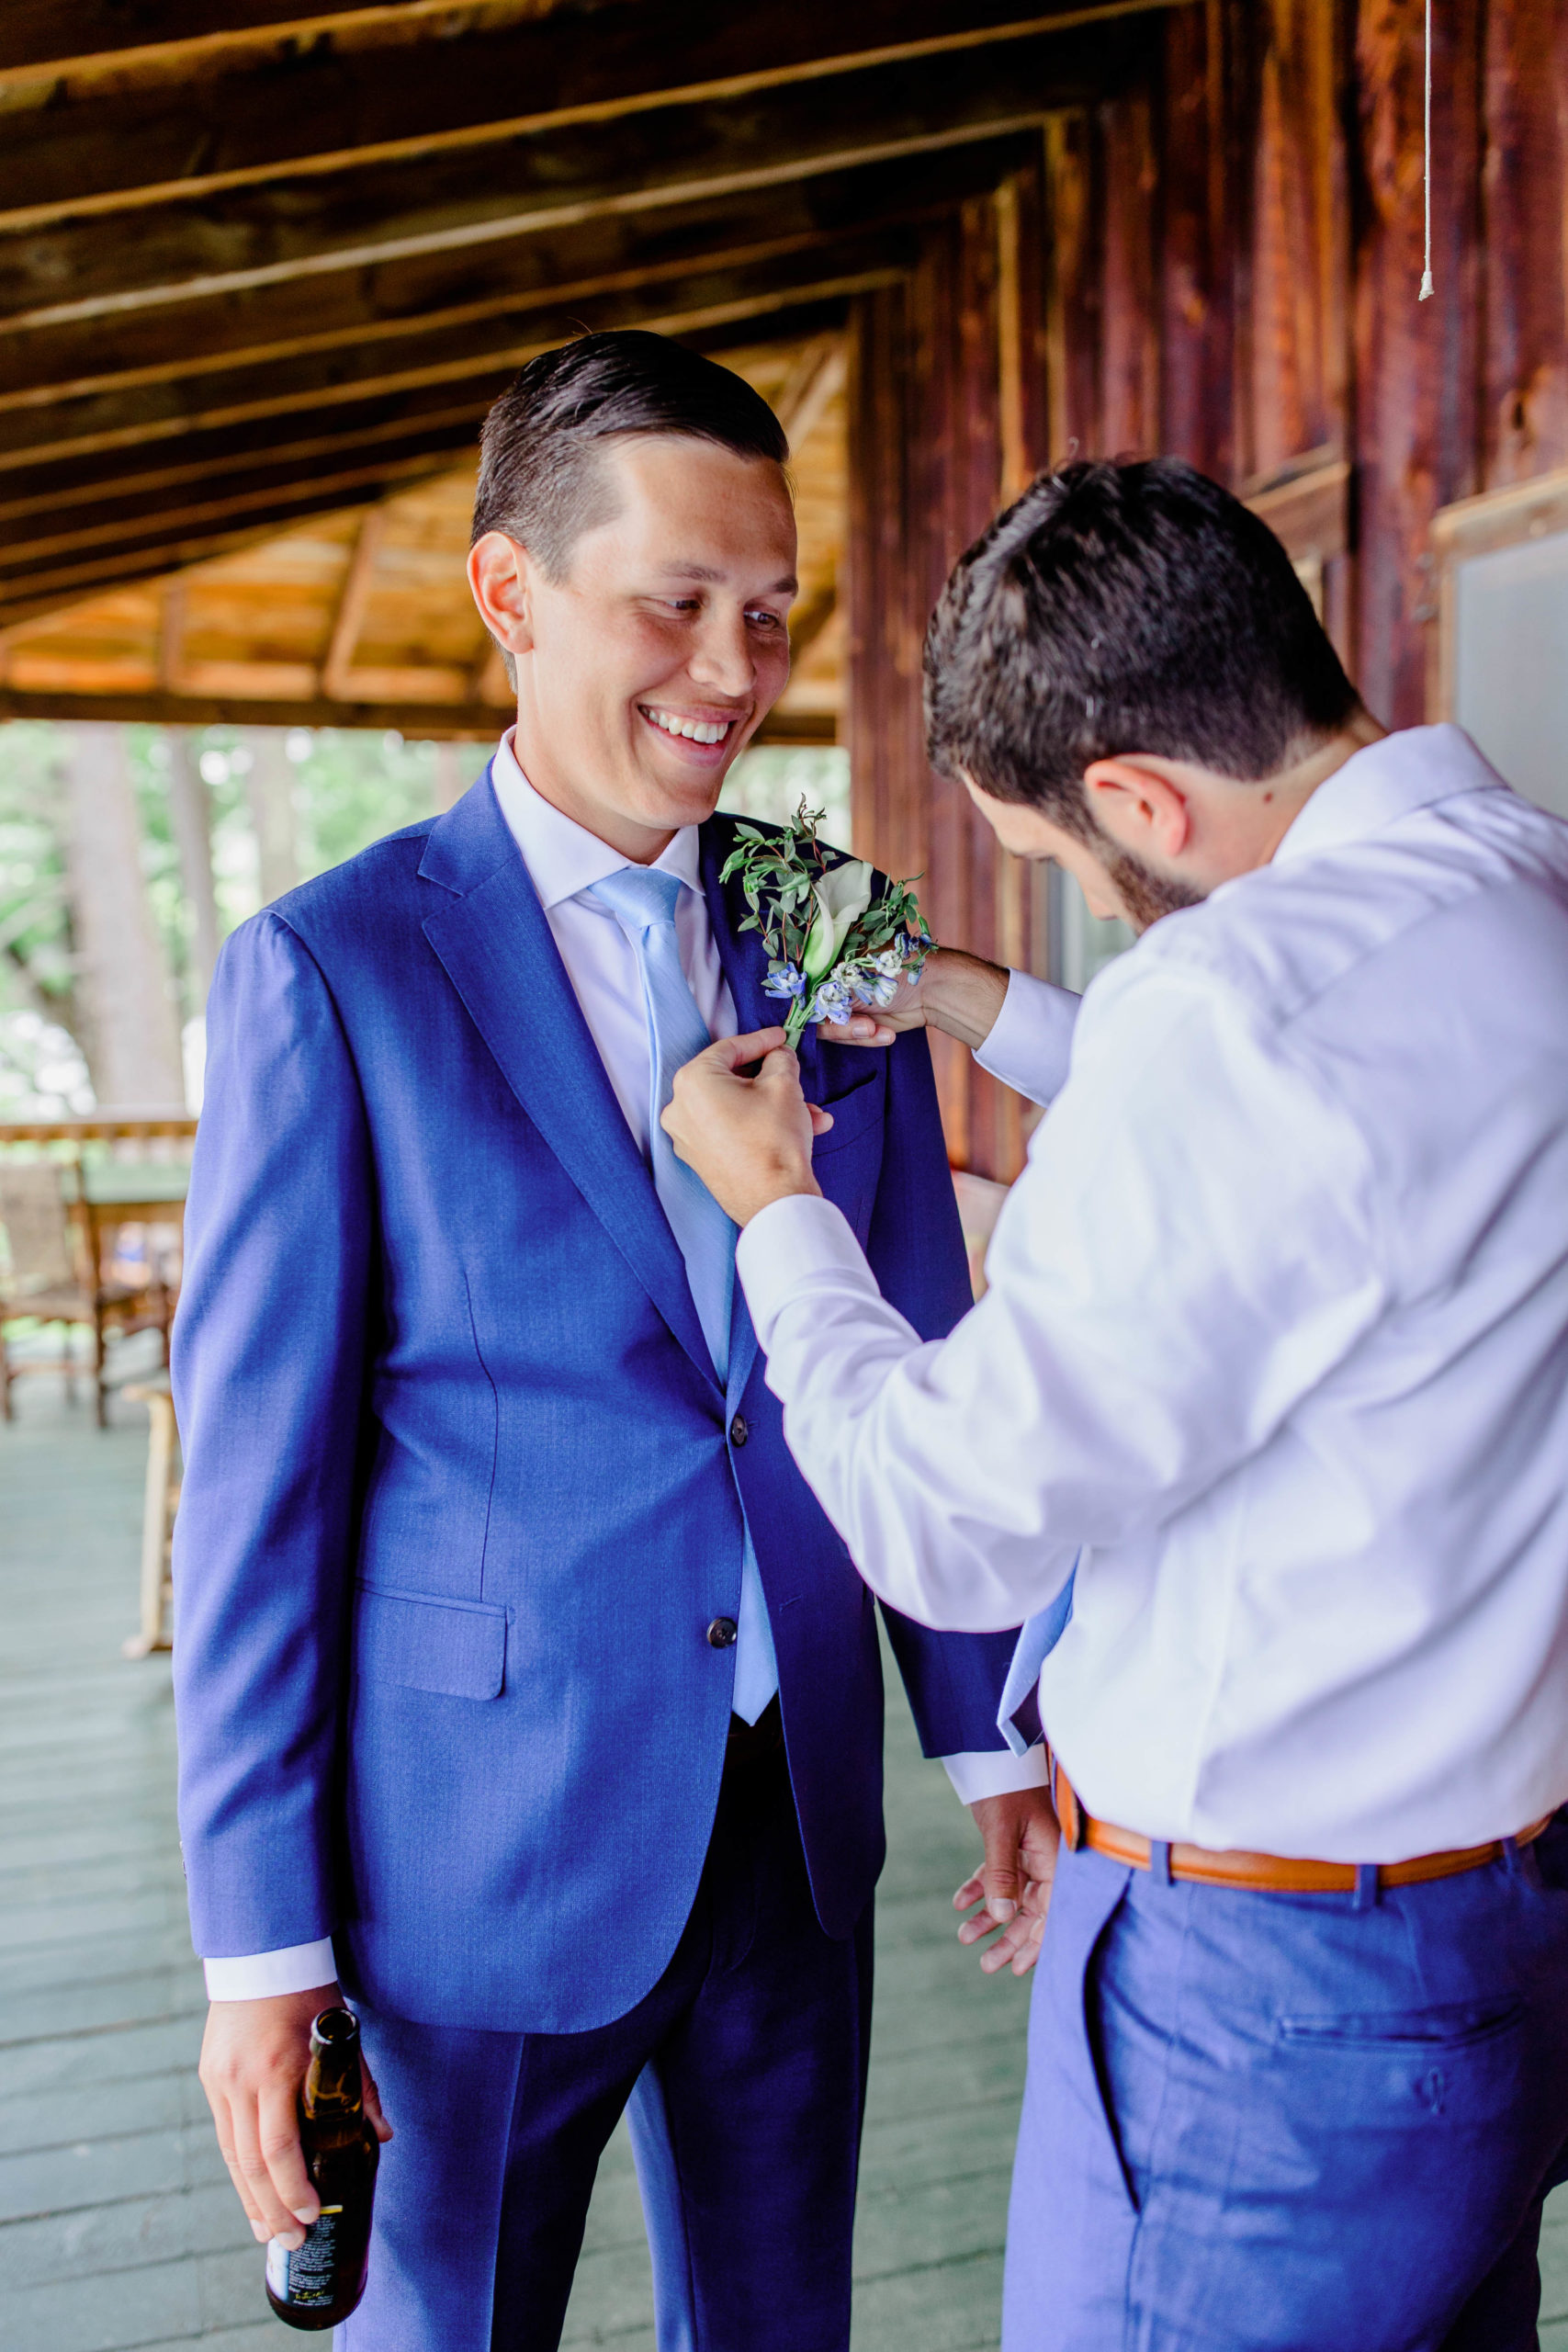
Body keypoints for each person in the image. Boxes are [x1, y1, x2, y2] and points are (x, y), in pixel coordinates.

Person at [170, 330, 1055, 2352]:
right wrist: (259, 1941)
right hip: (472, 1841)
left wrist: (983, 1721)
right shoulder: (330, 966)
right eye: (672, 604)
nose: (732, 674)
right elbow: (258, 1487)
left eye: (766, 613)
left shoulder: (829, 927)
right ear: (510, 591)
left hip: (794, 1809)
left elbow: (902, 1326)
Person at [662, 457, 1568, 2350]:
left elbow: (937, 1506)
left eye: (1076, 865)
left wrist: (780, 1219)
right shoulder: (1516, 885)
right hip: (1496, 1933)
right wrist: (978, 998)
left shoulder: (1232, 1006)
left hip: (1264, 2001)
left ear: (1142, 799)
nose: (1091, 900)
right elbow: (1317, 1122)